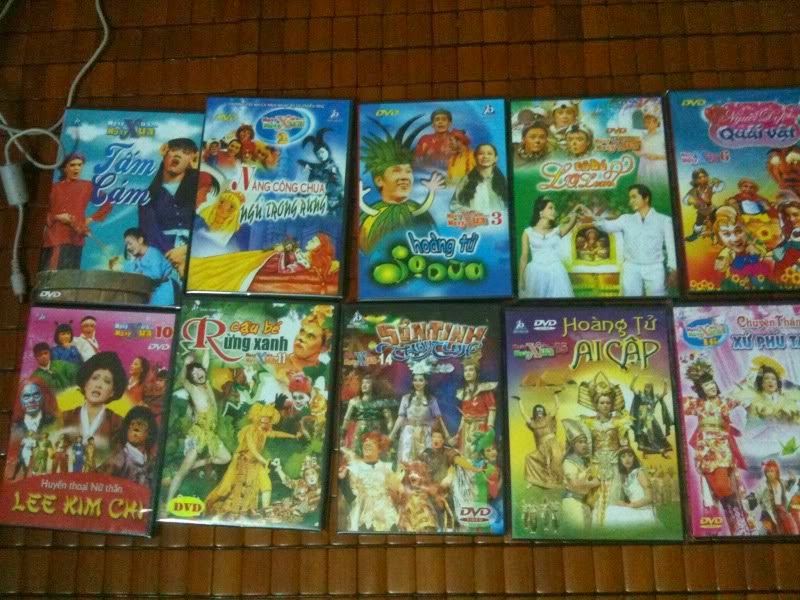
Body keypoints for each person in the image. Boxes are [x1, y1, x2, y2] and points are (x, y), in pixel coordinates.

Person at [683, 359, 752, 535]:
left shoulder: (724, 402)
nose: (711, 386)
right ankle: (735, 527)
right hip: (705, 451)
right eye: (706, 385)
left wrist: (753, 373)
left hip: (722, 449)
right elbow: (675, 402)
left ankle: (740, 522)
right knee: (715, 490)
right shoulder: (697, 404)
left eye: (712, 383)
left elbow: (742, 389)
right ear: (701, 389)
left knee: (724, 486)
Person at [360, 114, 444, 252]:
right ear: (379, 180)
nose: (405, 177)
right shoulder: (373, 216)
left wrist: (432, 190)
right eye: (396, 171)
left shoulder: (415, 211)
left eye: (408, 171)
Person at [205, 403, 300, 518]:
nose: (265, 424)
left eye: (268, 421)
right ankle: (214, 507)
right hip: (243, 462)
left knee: (266, 484)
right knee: (229, 487)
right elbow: (253, 449)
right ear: (257, 418)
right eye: (262, 421)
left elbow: (276, 433)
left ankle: (265, 513)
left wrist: (293, 436)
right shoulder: (249, 430)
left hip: (256, 462)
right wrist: (265, 461)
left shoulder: (265, 431)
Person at [165, 353, 233, 503]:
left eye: (199, 370)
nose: (198, 374)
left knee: (226, 458)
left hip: (210, 434)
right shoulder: (193, 389)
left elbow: (205, 364)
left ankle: (196, 465)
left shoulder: (207, 384)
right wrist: (185, 364)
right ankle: (168, 502)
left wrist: (206, 348)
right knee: (182, 472)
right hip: (198, 433)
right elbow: (183, 380)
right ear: (193, 379)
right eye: (194, 374)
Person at [139, 137, 209, 278]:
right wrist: (174, 257)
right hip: (162, 257)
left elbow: (204, 226)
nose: (178, 154)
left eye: (185, 152)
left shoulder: (197, 191)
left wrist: (186, 250)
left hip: (195, 253)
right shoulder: (148, 195)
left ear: (191, 160)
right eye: (174, 150)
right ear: (165, 154)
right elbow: (150, 230)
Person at [594, 184, 677, 296]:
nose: (630, 201)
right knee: (631, 300)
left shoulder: (664, 220)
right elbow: (605, 226)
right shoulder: (626, 219)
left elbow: (671, 246)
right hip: (631, 267)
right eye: (630, 198)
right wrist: (594, 216)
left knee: (658, 300)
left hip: (655, 268)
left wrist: (673, 269)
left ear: (646, 198)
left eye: (634, 197)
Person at [577, 372, 633, 527]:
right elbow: (584, 446)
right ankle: (596, 526)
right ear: (596, 404)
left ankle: (612, 526)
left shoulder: (619, 422)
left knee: (613, 496)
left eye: (608, 402)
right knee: (596, 498)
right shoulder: (587, 423)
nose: (605, 405)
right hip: (595, 466)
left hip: (615, 466)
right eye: (602, 402)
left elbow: (625, 447)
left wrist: (626, 461)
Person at [40, 152, 111, 270]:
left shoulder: (87, 186)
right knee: (53, 273)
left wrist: (91, 219)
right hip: (56, 239)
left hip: (77, 238)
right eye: (72, 165)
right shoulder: (54, 188)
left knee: (71, 274)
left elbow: (107, 203)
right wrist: (58, 217)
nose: (76, 168)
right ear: (64, 168)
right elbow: (41, 214)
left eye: (79, 165)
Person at [59, 351, 129, 456]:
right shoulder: (65, 417)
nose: (98, 385)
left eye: (106, 381)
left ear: (113, 391)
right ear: (85, 383)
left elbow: (118, 457)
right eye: (95, 378)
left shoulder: (118, 423)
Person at [518, 196, 584, 298]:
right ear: (541, 212)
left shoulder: (557, 231)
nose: (554, 211)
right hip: (535, 273)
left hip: (556, 272)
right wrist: (521, 279)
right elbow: (524, 257)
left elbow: (571, 220)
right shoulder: (528, 232)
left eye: (554, 209)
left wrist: (577, 209)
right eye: (550, 208)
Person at [338, 432, 400, 532]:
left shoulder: (388, 468)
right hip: (361, 521)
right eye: (365, 442)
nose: (367, 444)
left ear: (380, 449)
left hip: (387, 520)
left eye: (373, 442)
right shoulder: (353, 469)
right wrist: (342, 480)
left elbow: (397, 496)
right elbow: (350, 498)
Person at [389, 370, 448, 464]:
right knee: (407, 459)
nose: (417, 383)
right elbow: (401, 417)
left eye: (421, 380)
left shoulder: (431, 400)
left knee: (425, 460)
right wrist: (392, 434)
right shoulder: (406, 398)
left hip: (425, 433)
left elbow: (438, 418)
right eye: (415, 380)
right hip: (409, 432)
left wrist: (446, 434)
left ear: (426, 382)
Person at [712, 206, 773, 290]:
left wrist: (757, 251)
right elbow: (720, 269)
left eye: (738, 231)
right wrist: (722, 263)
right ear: (719, 237)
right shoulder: (726, 253)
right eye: (726, 234)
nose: (735, 238)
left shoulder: (754, 244)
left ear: (745, 230)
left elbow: (764, 253)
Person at [450, 353, 497, 460]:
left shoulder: (485, 389)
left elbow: (492, 410)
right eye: (465, 370)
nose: (468, 373)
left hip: (481, 428)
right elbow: (464, 416)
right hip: (466, 430)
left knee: (480, 456)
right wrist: (458, 433)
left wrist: (490, 429)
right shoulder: (463, 392)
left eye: (471, 370)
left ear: (477, 372)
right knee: (466, 456)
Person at [120, 228, 179, 305]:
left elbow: (156, 275)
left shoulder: (154, 254)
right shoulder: (137, 259)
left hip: (166, 290)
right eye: (126, 245)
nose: (128, 247)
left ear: (140, 240)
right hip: (152, 293)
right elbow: (129, 274)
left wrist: (140, 275)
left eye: (130, 243)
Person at [560, 419, 599, 533]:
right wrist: (593, 483)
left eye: (585, 442)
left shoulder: (583, 462)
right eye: (580, 442)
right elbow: (574, 484)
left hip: (583, 503)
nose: (584, 445)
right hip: (572, 503)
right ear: (573, 445)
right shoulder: (569, 462)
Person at [603, 447, 659, 528]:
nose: (627, 459)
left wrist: (629, 505)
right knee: (611, 509)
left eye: (630, 456)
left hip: (644, 512)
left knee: (611, 511)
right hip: (634, 510)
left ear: (634, 458)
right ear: (620, 460)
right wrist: (622, 504)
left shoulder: (639, 472)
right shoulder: (626, 477)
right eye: (623, 456)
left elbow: (649, 498)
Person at [518, 394, 563, 489]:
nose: (539, 411)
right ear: (535, 412)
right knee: (529, 458)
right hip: (541, 448)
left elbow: (557, 406)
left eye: (541, 410)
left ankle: (558, 481)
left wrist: (555, 395)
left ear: (543, 411)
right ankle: (532, 480)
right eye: (537, 410)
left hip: (552, 445)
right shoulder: (533, 423)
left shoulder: (548, 418)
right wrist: (519, 401)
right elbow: (523, 413)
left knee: (554, 463)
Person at [341, 375, 395, 454]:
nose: (364, 385)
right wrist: (342, 437)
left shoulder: (380, 403)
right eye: (363, 383)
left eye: (367, 383)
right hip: (360, 434)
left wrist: (390, 436)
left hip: (375, 435)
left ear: (373, 385)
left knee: (374, 455)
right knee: (358, 455)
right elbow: (346, 419)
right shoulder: (355, 402)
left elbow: (389, 420)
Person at [449, 144, 508, 214]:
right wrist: (469, 212)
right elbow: (453, 205)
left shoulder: (503, 181)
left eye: (489, 153)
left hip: (499, 220)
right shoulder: (467, 180)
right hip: (475, 220)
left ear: (496, 158)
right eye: (481, 154)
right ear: (475, 157)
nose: (485, 156)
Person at [749, 460, 799, 535]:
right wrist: (750, 500)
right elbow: (756, 495)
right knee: (768, 531)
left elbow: (788, 485)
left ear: (776, 472)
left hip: (782, 511)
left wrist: (792, 479)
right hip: (769, 513)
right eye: (767, 471)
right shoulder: (764, 486)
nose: (769, 474)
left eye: (772, 471)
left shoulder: (781, 482)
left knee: (789, 530)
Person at [298, 128, 344, 210]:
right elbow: (312, 167)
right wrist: (304, 164)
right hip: (321, 198)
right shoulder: (320, 167)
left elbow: (339, 185)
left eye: (322, 152)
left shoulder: (332, 166)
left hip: (332, 197)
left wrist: (326, 187)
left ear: (327, 151)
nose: (320, 155)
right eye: (318, 154)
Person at [629, 375, 673, 456]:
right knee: (648, 431)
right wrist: (634, 379)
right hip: (642, 416)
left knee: (658, 430)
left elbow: (664, 393)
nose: (647, 388)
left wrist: (665, 383)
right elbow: (631, 388)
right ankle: (654, 448)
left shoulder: (655, 397)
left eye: (649, 387)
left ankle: (660, 447)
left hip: (650, 416)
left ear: (651, 388)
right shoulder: (641, 395)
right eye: (646, 387)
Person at [682, 168, 725, 241]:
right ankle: (695, 235)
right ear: (695, 180)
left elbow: (721, 187)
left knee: (716, 221)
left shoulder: (710, 187)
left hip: (711, 209)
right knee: (698, 223)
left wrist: (718, 181)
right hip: (701, 211)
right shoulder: (694, 190)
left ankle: (720, 234)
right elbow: (685, 199)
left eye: (704, 176)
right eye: (700, 178)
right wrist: (692, 201)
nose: (703, 179)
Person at [636, 112, 667, 189]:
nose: (647, 124)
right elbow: (639, 153)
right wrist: (635, 150)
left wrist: (658, 157)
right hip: (644, 167)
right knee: (644, 188)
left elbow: (671, 155)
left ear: (656, 123)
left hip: (658, 167)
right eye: (645, 122)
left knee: (659, 187)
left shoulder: (663, 136)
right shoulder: (642, 137)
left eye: (649, 122)